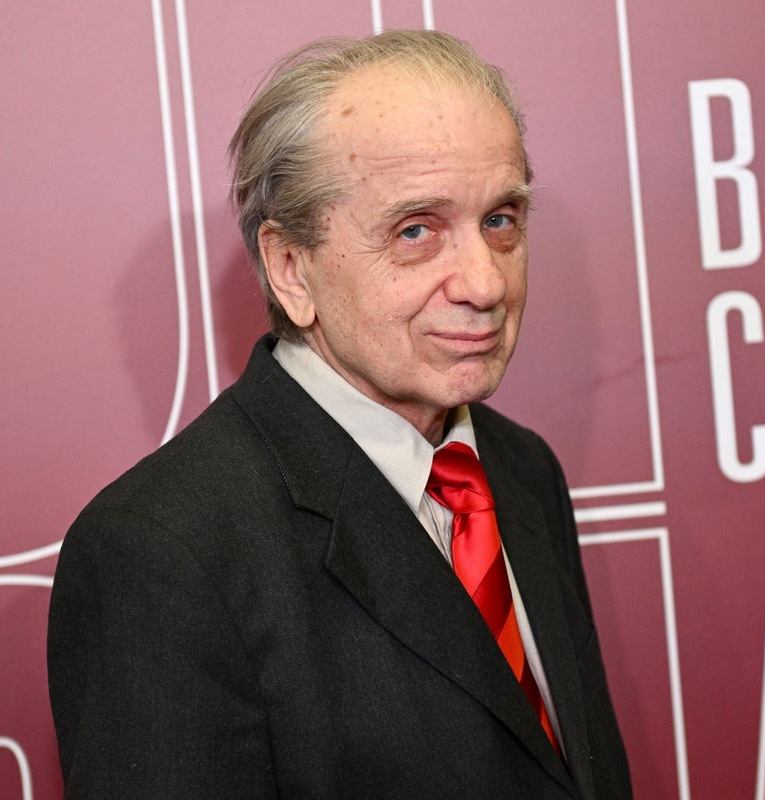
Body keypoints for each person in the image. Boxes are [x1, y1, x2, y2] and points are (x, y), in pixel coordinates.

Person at [47, 30, 631, 799]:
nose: (486, 284)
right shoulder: (162, 552)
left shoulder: (521, 471)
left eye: (500, 219)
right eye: (416, 231)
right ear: (292, 269)